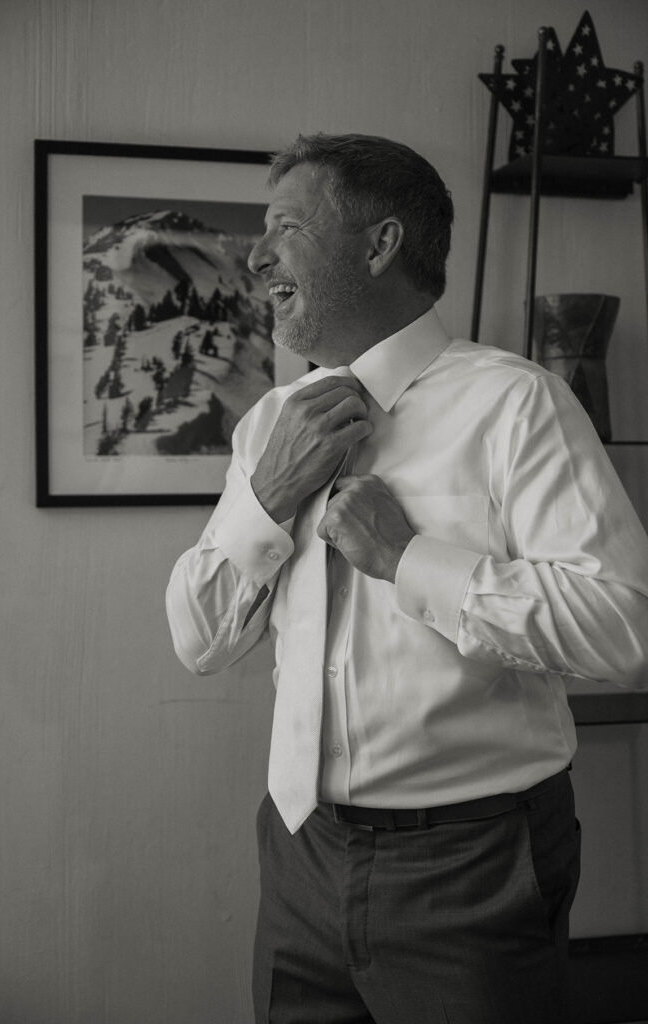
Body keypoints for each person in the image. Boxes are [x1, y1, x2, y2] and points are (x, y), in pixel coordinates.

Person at [166, 132, 648, 1024]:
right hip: (298, 850)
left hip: (472, 864)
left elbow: (627, 630)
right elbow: (198, 640)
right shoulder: (272, 422)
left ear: (380, 244)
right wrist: (268, 498)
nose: (256, 254)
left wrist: (409, 562)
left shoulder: (516, 404)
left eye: (284, 228)